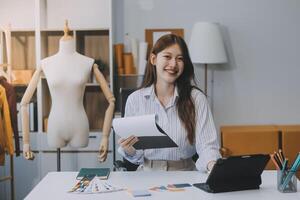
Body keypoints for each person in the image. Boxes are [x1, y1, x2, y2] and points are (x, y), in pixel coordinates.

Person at [118, 34, 220, 172]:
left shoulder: (196, 99)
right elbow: (137, 157)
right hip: (146, 175)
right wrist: (129, 149)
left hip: (186, 175)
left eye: (180, 59)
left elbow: (207, 146)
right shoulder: (135, 100)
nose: (173, 64)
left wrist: (212, 165)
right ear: (153, 59)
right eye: (167, 57)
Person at [21, 21, 115, 162]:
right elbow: (24, 103)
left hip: (80, 126)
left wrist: (105, 137)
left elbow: (111, 100)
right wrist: (26, 143)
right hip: (55, 127)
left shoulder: (87, 62)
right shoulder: (45, 63)